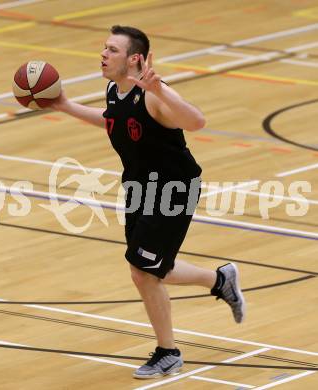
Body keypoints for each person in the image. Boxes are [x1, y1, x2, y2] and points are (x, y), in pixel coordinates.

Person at [51, 25, 246, 379]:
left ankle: (168, 352)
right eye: (104, 48)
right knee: (147, 268)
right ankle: (219, 280)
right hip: (139, 188)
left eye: (112, 50)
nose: (103, 54)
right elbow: (113, 121)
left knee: (143, 270)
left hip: (174, 189)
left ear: (135, 59)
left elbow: (197, 121)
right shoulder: (114, 88)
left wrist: (161, 90)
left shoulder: (154, 94)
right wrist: (65, 105)